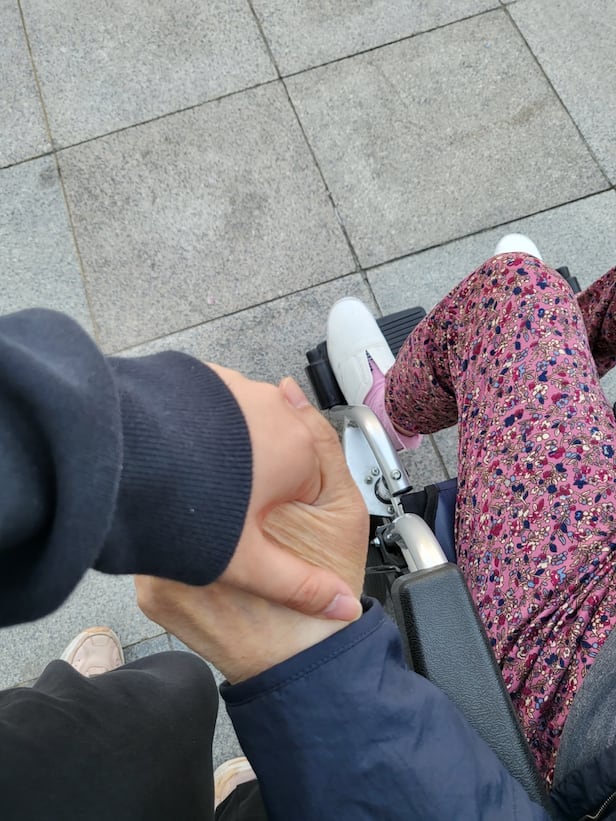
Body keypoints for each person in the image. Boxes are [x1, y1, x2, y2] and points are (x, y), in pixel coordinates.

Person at [325, 234, 616, 808]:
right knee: (527, 328)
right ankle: (550, 360)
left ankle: (399, 412)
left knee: (514, 293)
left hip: (577, 664)